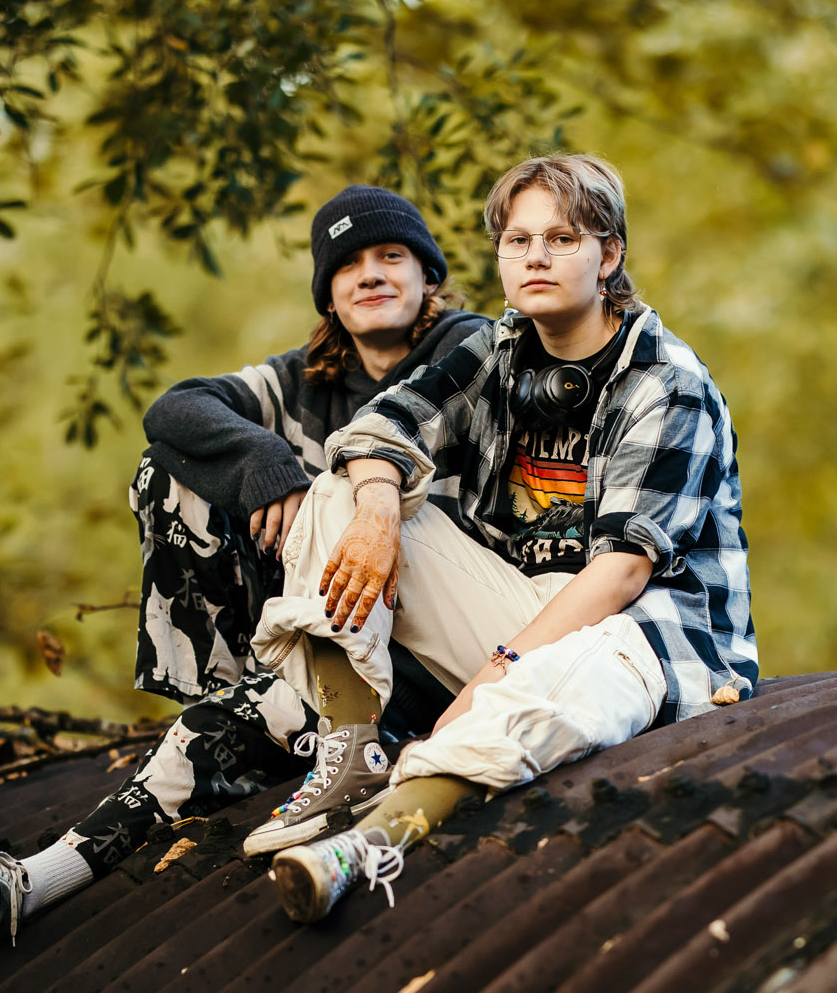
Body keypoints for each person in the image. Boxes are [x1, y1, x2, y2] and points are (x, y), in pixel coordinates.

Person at [0, 186, 483, 962]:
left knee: (331, 489)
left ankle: (304, 715)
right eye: (348, 263)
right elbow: (175, 408)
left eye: (392, 255)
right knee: (170, 475)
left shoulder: (469, 350)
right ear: (326, 290)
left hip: (430, 652)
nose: (371, 274)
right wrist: (264, 458)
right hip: (314, 634)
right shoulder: (300, 380)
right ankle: (25, 886)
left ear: (429, 273)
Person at [251, 151, 757, 923]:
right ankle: (354, 751)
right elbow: (379, 426)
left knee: (549, 689)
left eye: (561, 239)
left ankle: (366, 843)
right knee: (337, 493)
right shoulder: (496, 348)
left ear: (608, 253)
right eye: (517, 242)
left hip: (642, 636)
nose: (535, 258)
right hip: (524, 604)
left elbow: (621, 573)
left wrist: (499, 669)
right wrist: (382, 509)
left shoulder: (667, 381)